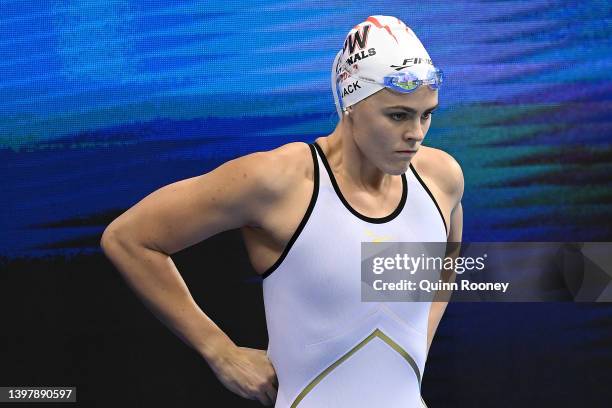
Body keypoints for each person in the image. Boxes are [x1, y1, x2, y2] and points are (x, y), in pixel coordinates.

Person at [101, 15, 463, 407]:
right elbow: (129, 238)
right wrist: (219, 351)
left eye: (427, 114)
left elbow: (447, 262)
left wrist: (416, 349)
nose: (416, 133)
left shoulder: (441, 178)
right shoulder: (278, 182)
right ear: (350, 104)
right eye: (398, 115)